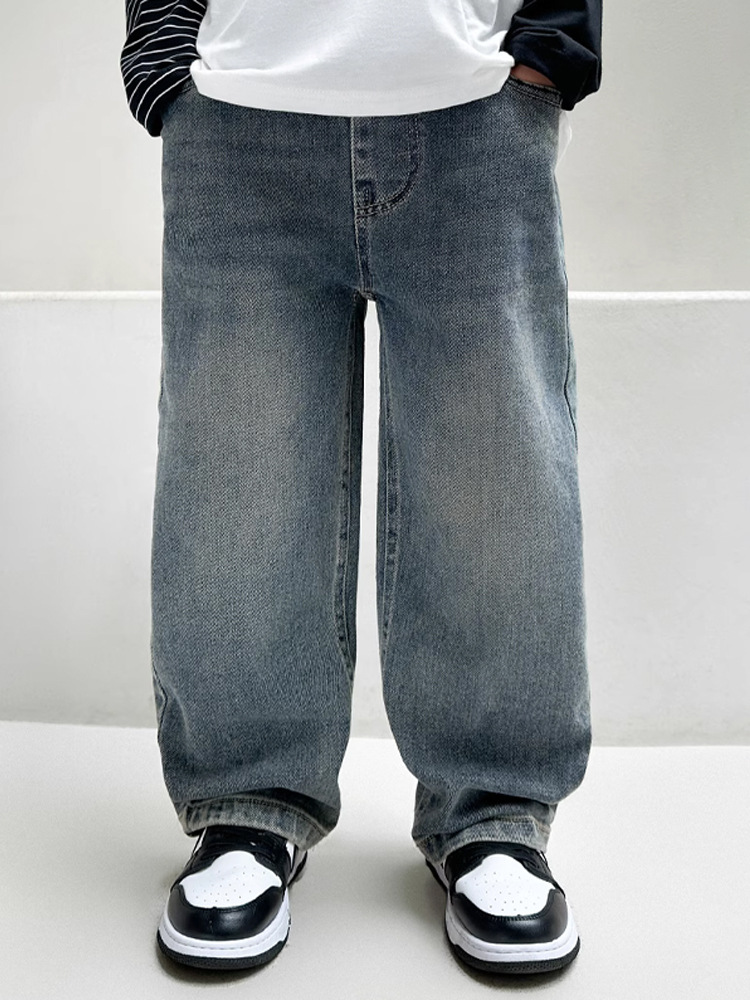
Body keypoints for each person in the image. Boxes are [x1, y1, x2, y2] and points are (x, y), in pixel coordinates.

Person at [120, 0, 602, 977]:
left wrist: (552, 46)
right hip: (237, 108)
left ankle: (496, 813)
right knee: (237, 475)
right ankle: (247, 802)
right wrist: (163, 51)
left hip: (476, 101)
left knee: (494, 473)